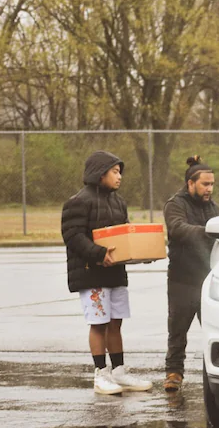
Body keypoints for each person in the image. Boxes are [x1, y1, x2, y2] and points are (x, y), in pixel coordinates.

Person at [61, 150, 152, 395]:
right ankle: (100, 374)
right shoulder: (78, 201)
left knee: (115, 323)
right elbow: (72, 236)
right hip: (91, 274)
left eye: (120, 171)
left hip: (115, 274)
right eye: (115, 171)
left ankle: (119, 371)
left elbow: (123, 236)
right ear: (100, 173)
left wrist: (141, 253)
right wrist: (99, 255)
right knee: (98, 324)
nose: (120, 176)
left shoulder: (118, 202)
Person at [162, 156, 219, 392]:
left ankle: (217, 371)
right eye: (205, 184)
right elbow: (177, 228)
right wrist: (208, 231)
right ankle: (174, 373)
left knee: (215, 329)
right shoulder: (175, 204)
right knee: (177, 330)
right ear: (190, 183)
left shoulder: (213, 207)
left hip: (208, 279)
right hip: (182, 279)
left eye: (212, 184)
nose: (209, 189)